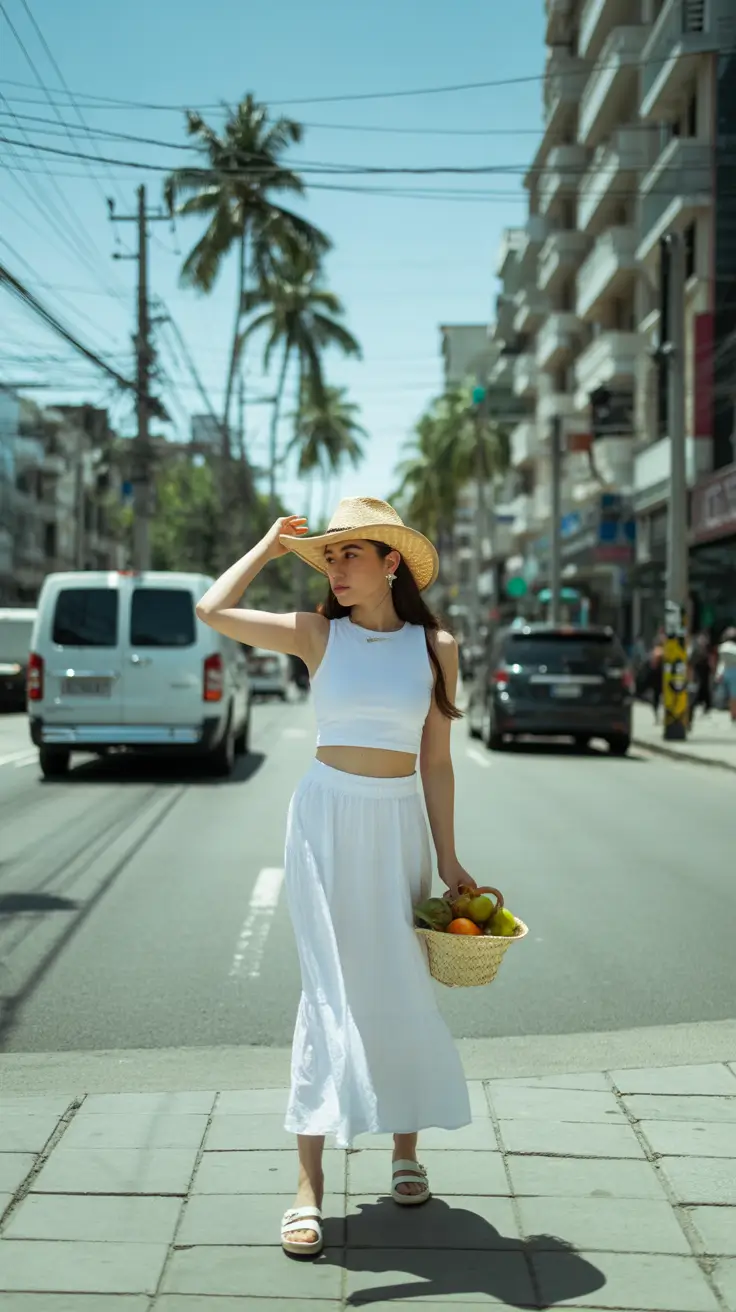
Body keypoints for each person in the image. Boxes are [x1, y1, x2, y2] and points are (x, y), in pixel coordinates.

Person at [195, 497, 476, 1258]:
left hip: (397, 824)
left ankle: (406, 1151)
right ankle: (308, 1186)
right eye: (329, 557)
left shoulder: (435, 646)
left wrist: (449, 859)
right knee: (327, 990)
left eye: (349, 554)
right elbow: (212, 607)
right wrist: (266, 545)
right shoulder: (318, 633)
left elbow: (439, 763)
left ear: (392, 563)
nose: (335, 569)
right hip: (324, 822)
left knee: (400, 981)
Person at [715, 626, 736, 723]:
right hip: (734, 672)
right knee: (733, 695)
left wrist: (718, 673)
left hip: (727, 671)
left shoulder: (722, 647)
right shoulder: (732, 648)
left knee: (729, 695)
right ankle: (733, 713)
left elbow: (721, 662)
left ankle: (731, 712)